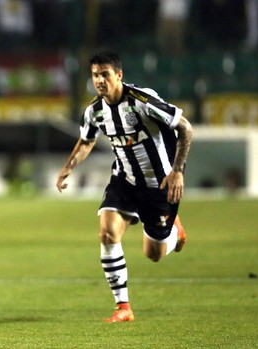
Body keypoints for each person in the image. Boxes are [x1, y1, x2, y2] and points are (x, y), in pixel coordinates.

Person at [56, 51, 192, 323]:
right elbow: (86, 141)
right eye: (95, 75)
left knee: (154, 254)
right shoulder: (94, 111)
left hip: (158, 184)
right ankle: (123, 307)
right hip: (124, 181)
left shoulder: (143, 102)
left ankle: (175, 232)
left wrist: (177, 171)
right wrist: (68, 168)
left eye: (105, 74)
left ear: (119, 75)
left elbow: (185, 128)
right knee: (107, 234)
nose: (99, 80)